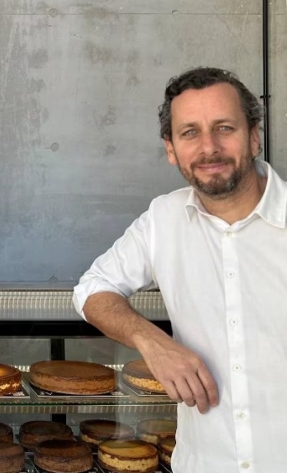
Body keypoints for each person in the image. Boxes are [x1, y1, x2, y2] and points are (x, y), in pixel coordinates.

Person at [73, 66, 286, 471]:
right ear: (171, 148)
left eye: (225, 128)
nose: (209, 147)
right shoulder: (162, 219)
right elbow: (91, 290)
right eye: (190, 132)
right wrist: (153, 343)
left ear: (254, 135)